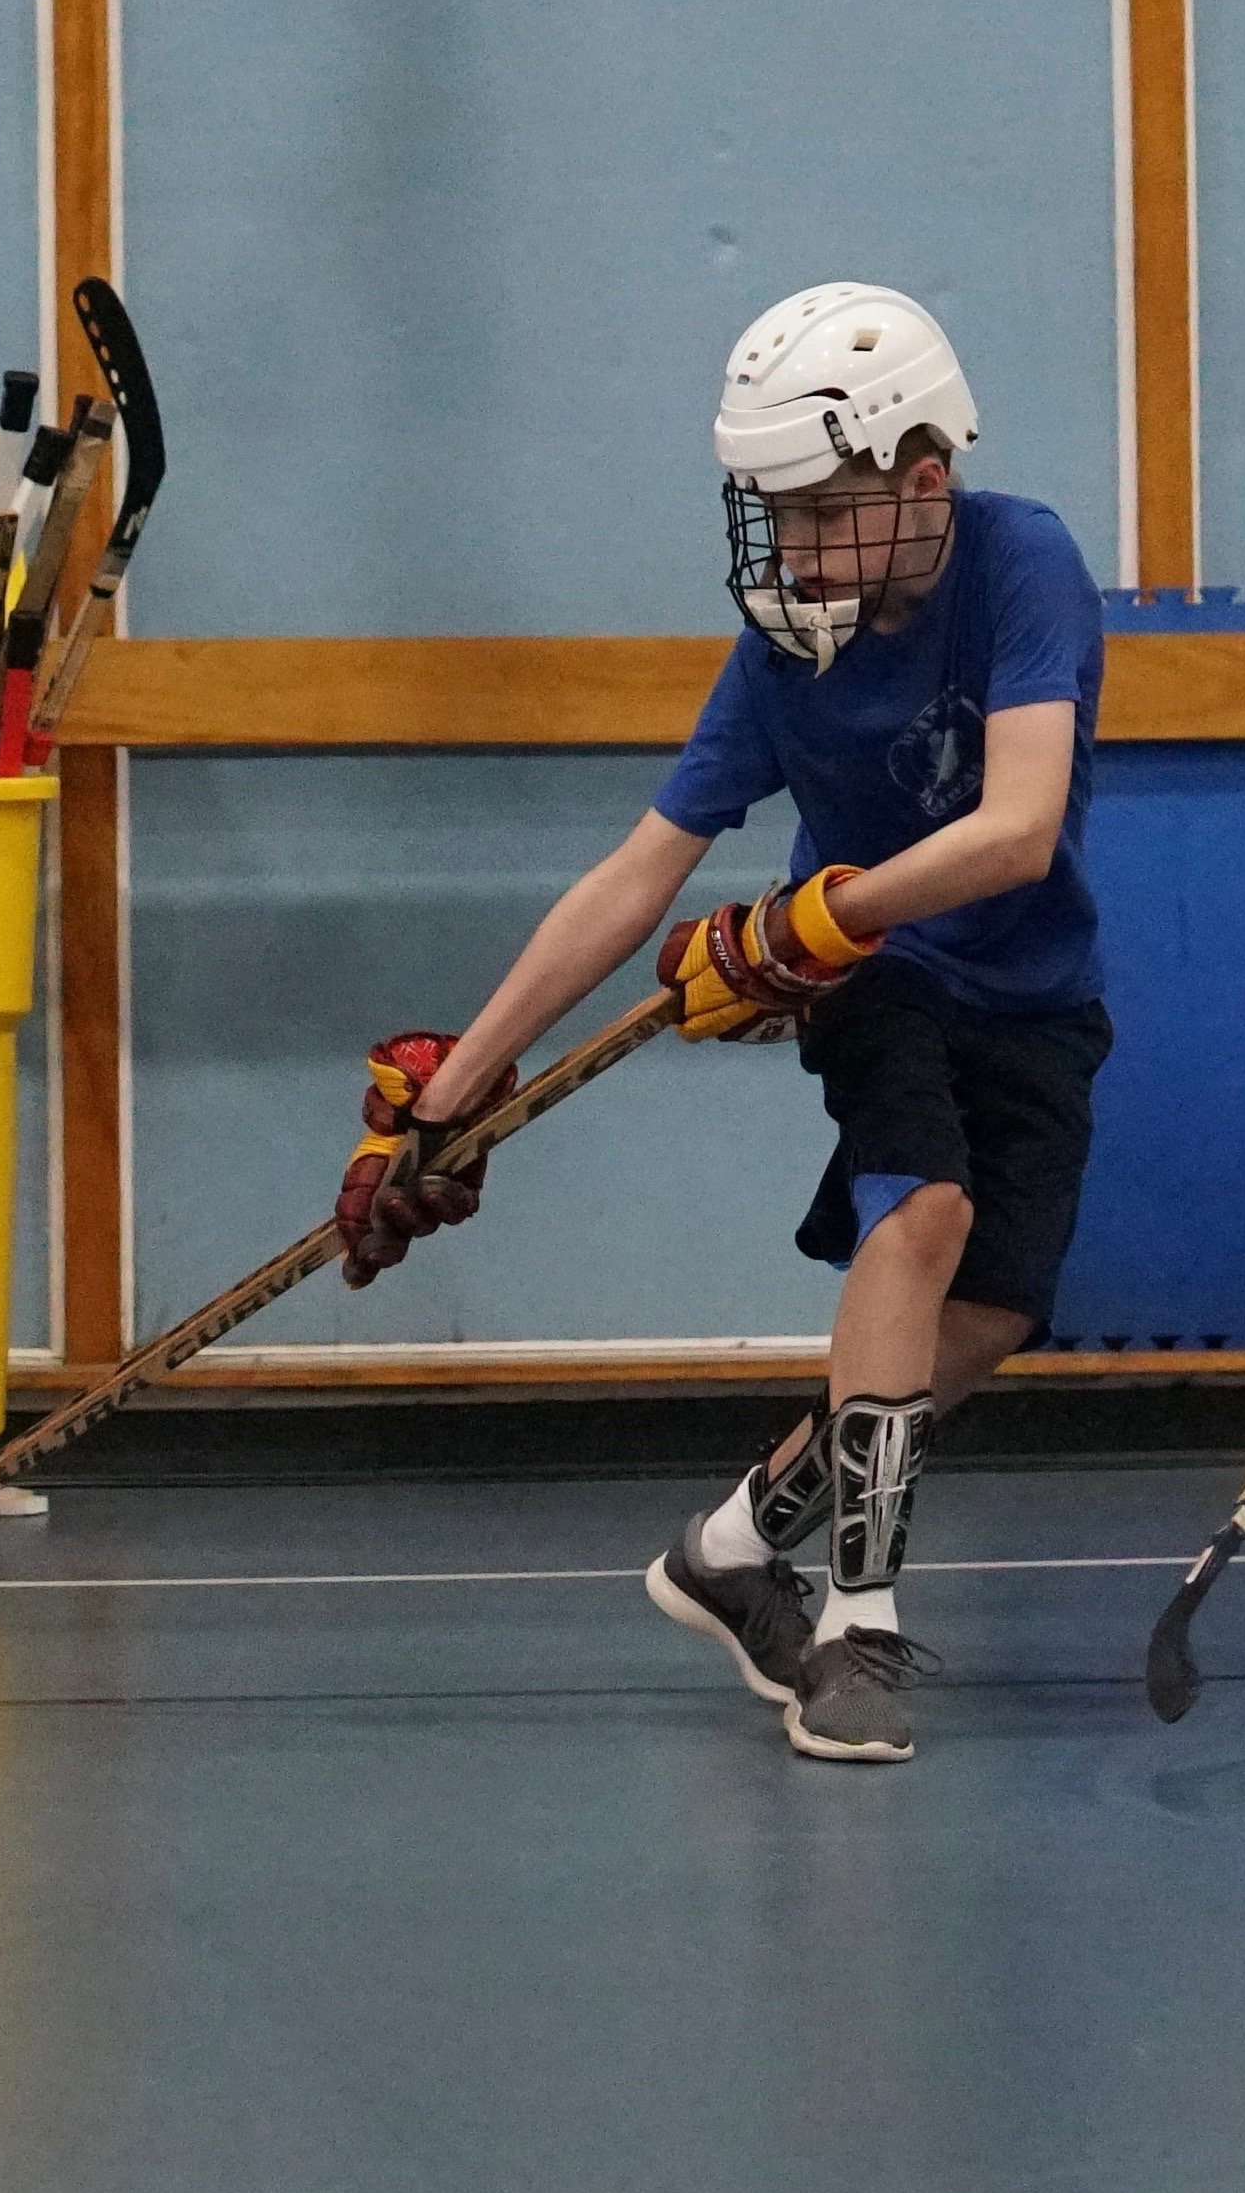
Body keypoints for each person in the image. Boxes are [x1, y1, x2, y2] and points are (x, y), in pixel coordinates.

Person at [344, 285, 1106, 1762]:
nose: (793, 552)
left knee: (992, 1310)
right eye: (772, 514)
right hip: (877, 982)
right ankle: (857, 1621)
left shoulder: (1024, 561)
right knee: (921, 1214)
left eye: (821, 513)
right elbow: (639, 871)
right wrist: (467, 1072)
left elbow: (1017, 828)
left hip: (1029, 982)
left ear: (921, 477)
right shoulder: (781, 659)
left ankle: (731, 1544)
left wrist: (819, 910)